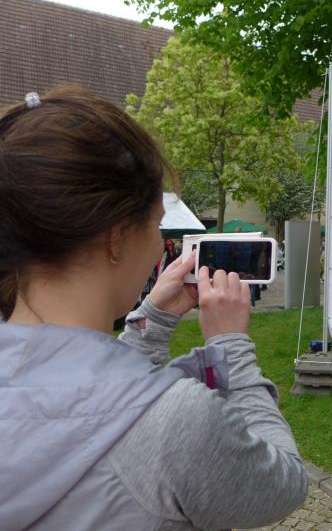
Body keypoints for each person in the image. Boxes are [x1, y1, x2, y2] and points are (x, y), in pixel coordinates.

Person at [0, 87, 307, 529]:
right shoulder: (174, 421)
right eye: (157, 224)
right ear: (116, 236)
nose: (160, 245)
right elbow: (284, 484)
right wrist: (231, 347)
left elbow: (81, 402)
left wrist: (153, 322)